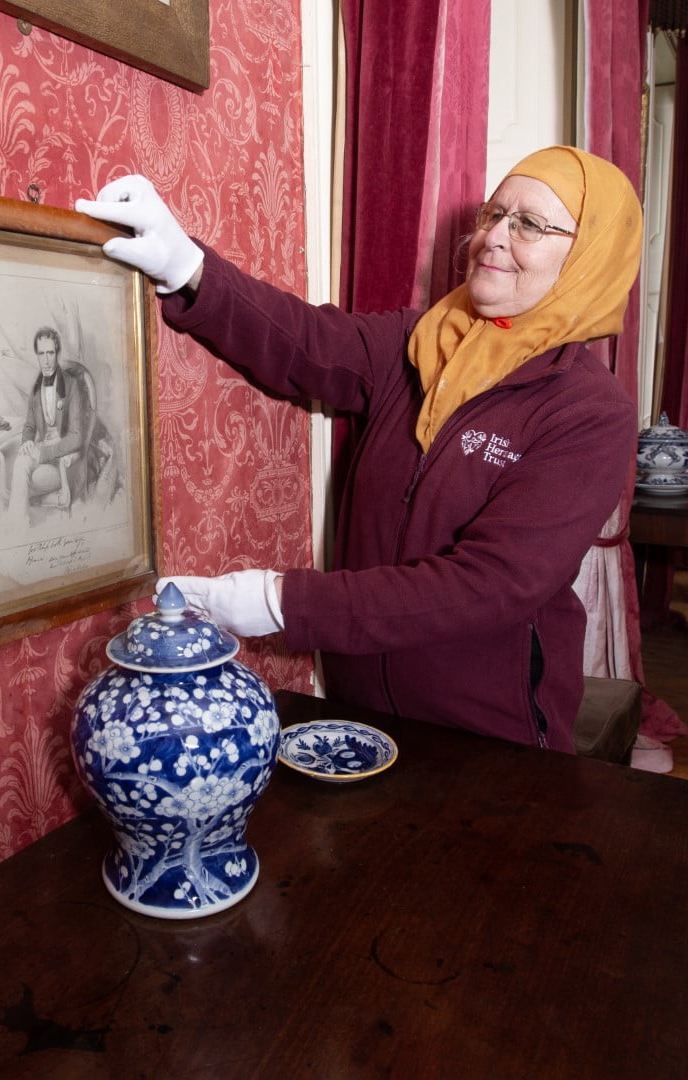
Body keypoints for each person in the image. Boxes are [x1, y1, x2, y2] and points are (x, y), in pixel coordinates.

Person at [75, 146, 640, 753]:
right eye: (492, 215)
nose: (494, 237)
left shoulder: (588, 410)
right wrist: (188, 267)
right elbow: (305, 340)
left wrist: (280, 601)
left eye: (528, 224)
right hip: (358, 712)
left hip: (489, 733)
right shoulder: (419, 340)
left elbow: (491, 585)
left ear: (586, 260)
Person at [0, 325, 110, 513]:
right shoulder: (37, 389)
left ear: (57, 353)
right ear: (37, 355)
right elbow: (29, 424)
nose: (46, 361)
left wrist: (43, 453)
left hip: (66, 461)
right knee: (21, 464)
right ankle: (18, 523)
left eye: (50, 353)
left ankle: (15, 525)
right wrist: (28, 441)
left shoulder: (73, 387)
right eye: (41, 354)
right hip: (42, 451)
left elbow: (76, 437)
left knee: (18, 479)